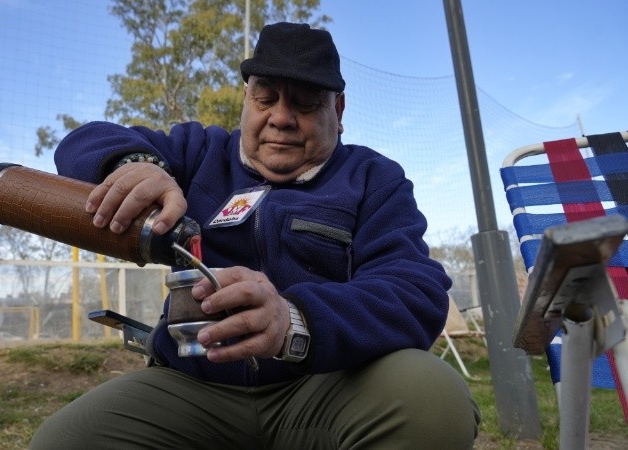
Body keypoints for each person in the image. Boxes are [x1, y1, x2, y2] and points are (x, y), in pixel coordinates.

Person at [30, 22, 480, 449]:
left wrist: (294, 321)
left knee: (431, 400)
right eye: (265, 98)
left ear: (337, 111)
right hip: (193, 384)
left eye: (305, 103)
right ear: (246, 99)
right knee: (63, 441)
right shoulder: (198, 152)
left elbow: (414, 291)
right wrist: (134, 165)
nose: (281, 118)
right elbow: (84, 140)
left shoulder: (373, 179)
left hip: (327, 386)